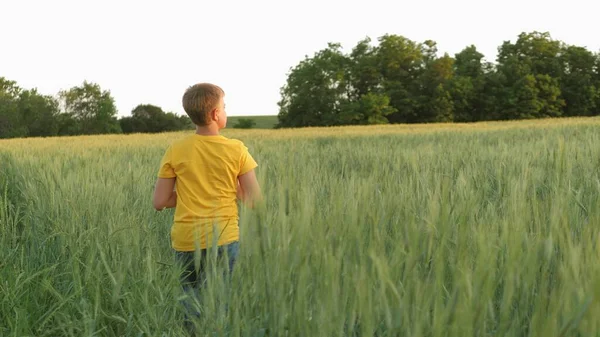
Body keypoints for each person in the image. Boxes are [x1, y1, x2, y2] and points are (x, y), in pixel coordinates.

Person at [152, 83, 262, 334]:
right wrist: (229, 187)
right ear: (215, 114)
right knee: (219, 305)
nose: (225, 111)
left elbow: (159, 202)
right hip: (223, 238)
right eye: (224, 107)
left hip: (186, 240)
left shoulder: (176, 149)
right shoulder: (236, 149)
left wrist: (192, 192)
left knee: (190, 306)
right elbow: (255, 200)